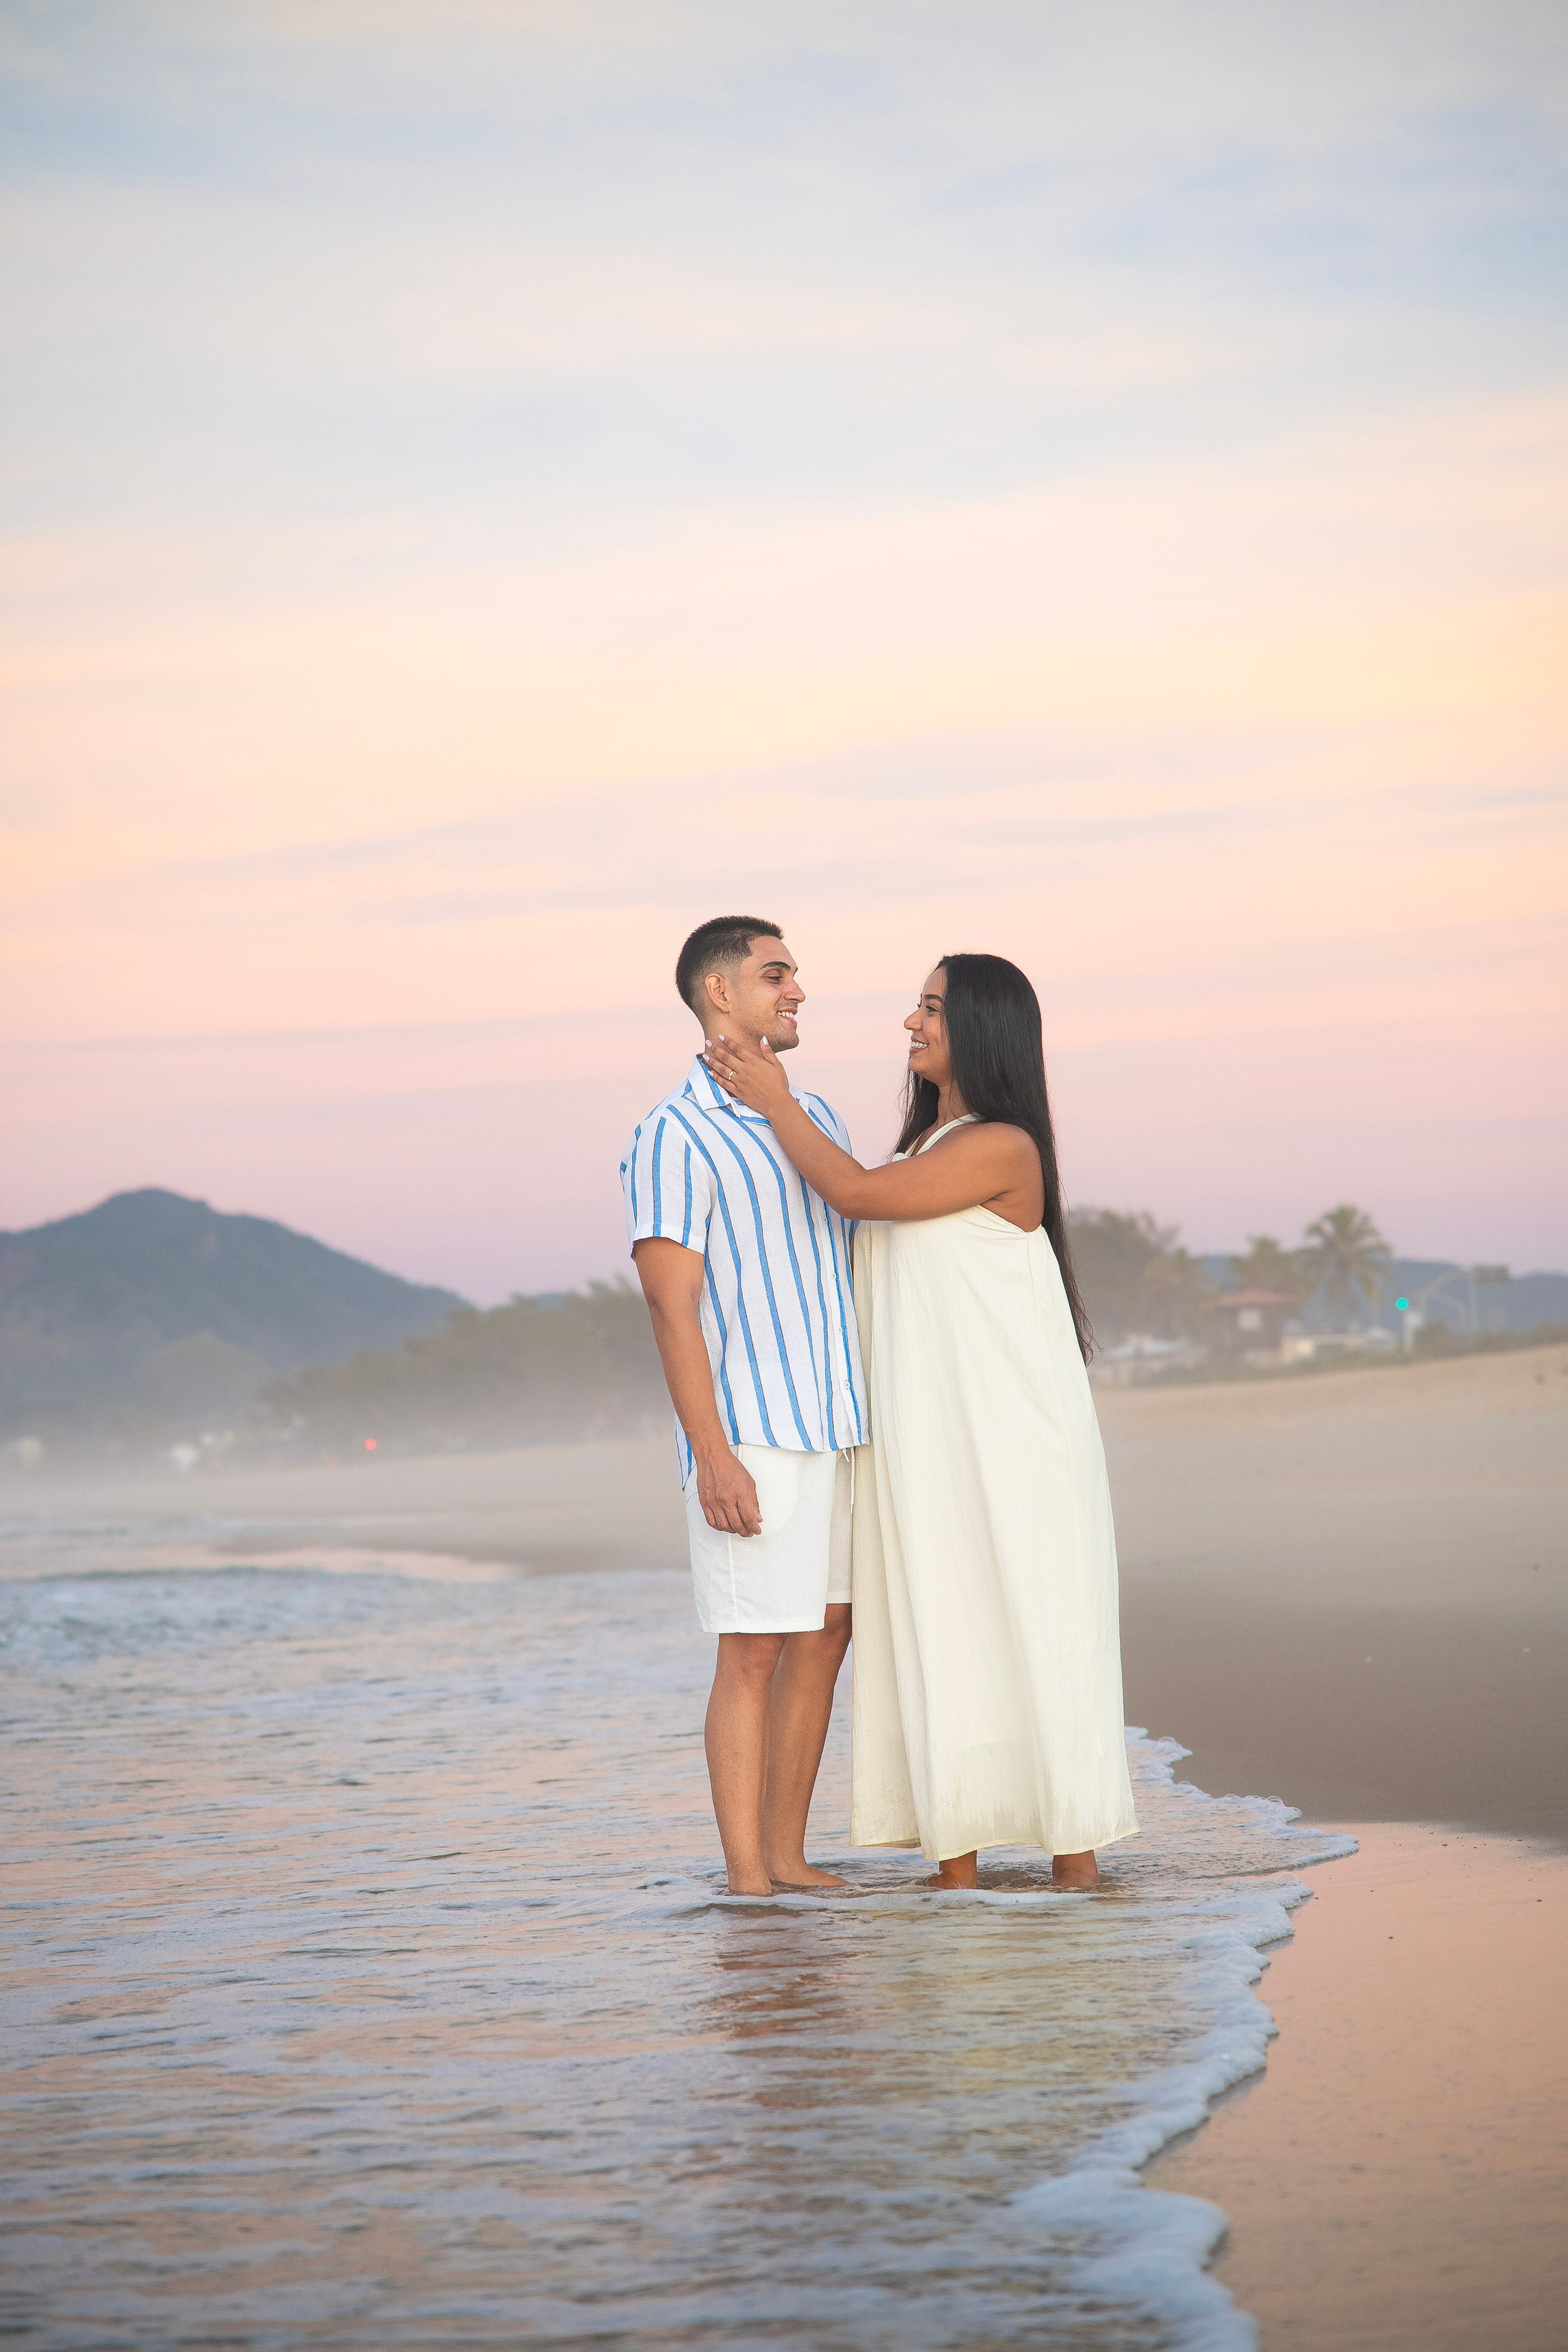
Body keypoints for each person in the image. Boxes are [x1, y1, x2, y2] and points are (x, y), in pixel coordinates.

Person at [702, 952, 1138, 1891]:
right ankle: (956, 1873)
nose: (912, 1022)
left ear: (982, 1028)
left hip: (1013, 1443)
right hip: (930, 1444)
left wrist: (775, 1102)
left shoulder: (1005, 1148)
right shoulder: (922, 1151)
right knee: (943, 1631)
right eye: (918, 1006)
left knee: (1035, 1629)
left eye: (933, 1008)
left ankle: (1078, 1876)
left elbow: (854, 1194)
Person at [621, 916, 867, 1897]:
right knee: (753, 1650)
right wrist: (712, 1454)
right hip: (754, 1433)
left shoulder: (819, 1116)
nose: (798, 989)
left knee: (827, 1633)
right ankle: (747, 1880)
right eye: (777, 974)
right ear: (719, 992)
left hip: (842, 1426)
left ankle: (787, 1857)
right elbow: (669, 1305)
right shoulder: (672, 1132)